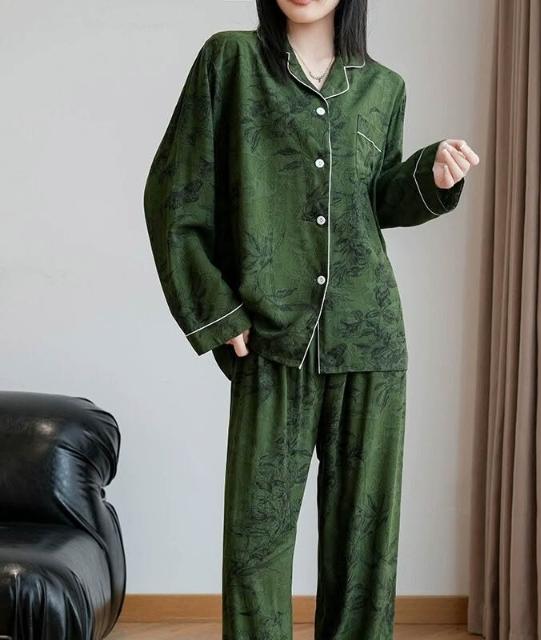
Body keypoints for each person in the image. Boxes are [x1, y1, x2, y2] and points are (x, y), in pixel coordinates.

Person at [143, 0, 479, 638]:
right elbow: (173, 193)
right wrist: (218, 311)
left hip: (369, 338)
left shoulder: (384, 88)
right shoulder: (230, 60)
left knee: (363, 550)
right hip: (272, 336)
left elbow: (374, 200)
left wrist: (430, 176)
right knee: (256, 544)